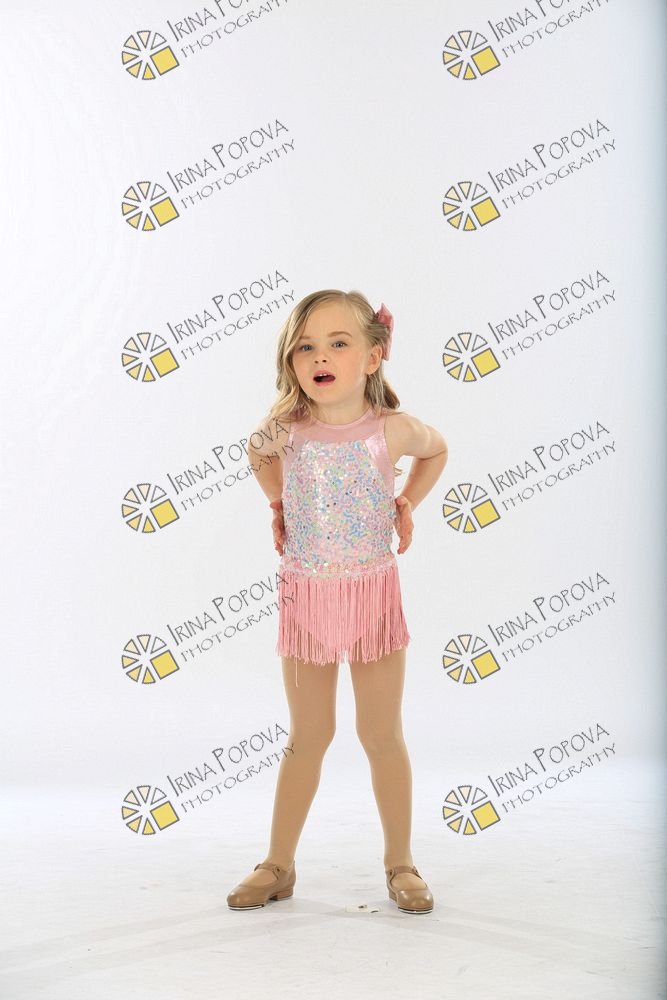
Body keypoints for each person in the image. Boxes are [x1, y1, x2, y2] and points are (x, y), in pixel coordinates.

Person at [227, 289, 448, 914]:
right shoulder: (285, 430)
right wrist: (278, 503)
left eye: (337, 343)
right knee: (308, 735)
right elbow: (256, 451)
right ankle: (278, 863)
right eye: (305, 347)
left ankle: (401, 862)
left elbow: (436, 449)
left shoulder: (392, 429)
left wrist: (407, 502)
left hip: (372, 597)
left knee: (380, 733)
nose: (319, 356)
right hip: (307, 600)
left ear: (373, 357)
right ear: (291, 361)